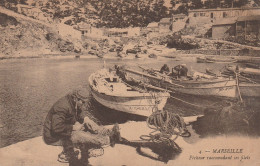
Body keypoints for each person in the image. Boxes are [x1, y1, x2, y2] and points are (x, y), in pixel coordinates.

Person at [43, 87, 121, 165]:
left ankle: (107, 132)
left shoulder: (72, 102)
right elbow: (56, 128)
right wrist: (74, 127)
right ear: (76, 99)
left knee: (89, 122)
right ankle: (107, 139)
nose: (84, 104)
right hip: (54, 137)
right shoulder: (61, 107)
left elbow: (79, 112)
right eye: (83, 102)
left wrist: (86, 119)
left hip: (65, 127)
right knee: (81, 135)